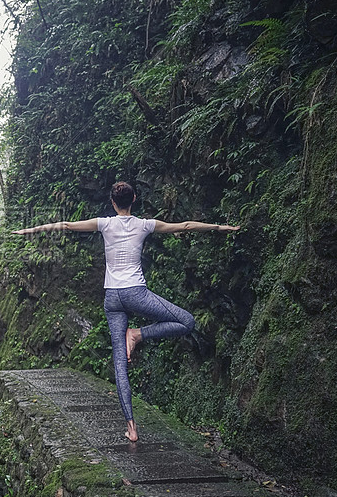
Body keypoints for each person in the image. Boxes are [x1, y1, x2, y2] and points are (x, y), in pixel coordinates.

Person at [12, 181, 239, 442]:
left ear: (112, 202)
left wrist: (28, 230)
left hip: (112, 299)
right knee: (187, 321)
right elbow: (186, 226)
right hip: (136, 294)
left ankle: (131, 427)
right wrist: (221, 228)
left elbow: (65, 226)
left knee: (120, 363)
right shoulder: (144, 224)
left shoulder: (105, 224)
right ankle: (139, 334)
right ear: (134, 200)